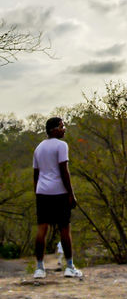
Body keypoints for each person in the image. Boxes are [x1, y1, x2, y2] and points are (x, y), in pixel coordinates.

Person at [32, 117, 82, 279]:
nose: (64, 129)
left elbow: (36, 174)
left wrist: (37, 192)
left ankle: (39, 269)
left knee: (42, 230)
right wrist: (71, 194)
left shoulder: (39, 148)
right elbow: (63, 170)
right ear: (54, 129)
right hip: (59, 192)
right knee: (64, 229)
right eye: (62, 126)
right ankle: (69, 266)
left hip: (42, 193)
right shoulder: (62, 146)